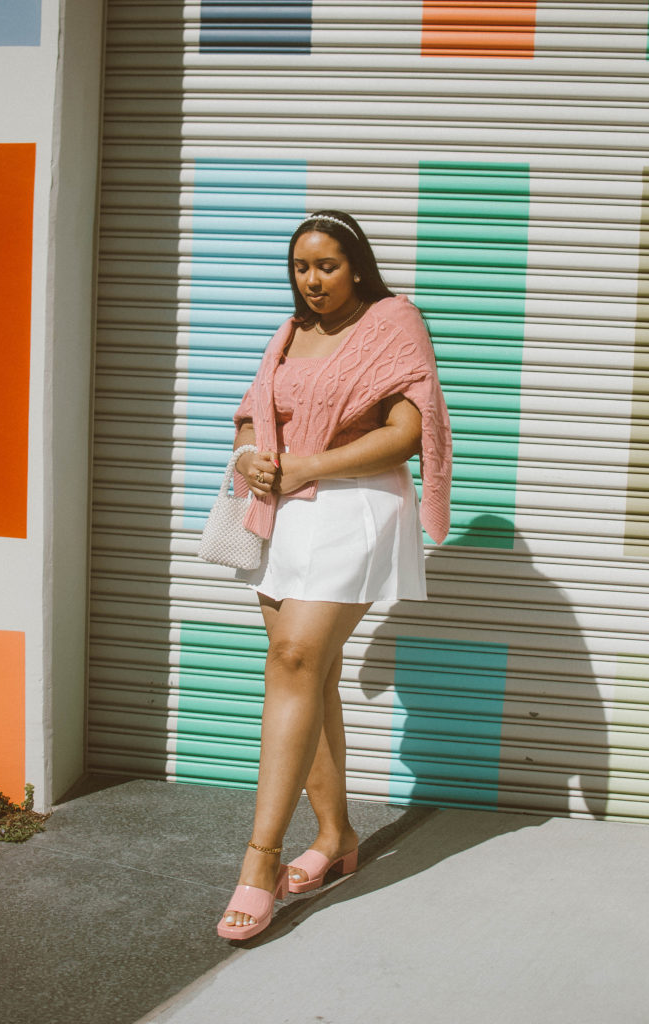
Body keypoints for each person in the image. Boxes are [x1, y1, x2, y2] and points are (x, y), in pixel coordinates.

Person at [217, 210, 452, 940]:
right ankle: (334, 838)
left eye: (325, 266)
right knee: (307, 676)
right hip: (285, 513)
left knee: (291, 658)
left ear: (356, 266)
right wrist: (253, 451)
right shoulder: (289, 334)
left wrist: (311, 464)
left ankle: (259, 861)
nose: (312, 280)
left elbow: (409, 429)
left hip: (353, 508)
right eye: (300, 268)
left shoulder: (392, 320)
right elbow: (257, 411)